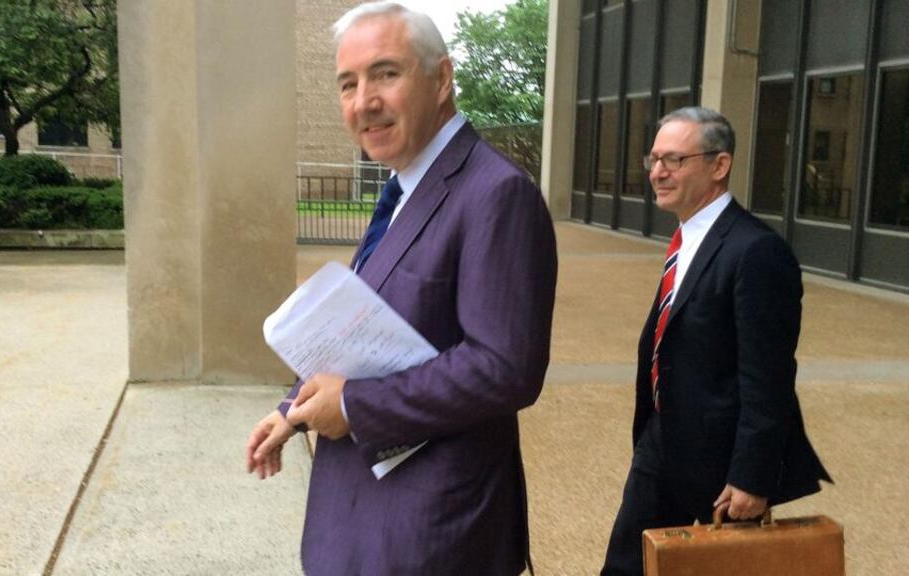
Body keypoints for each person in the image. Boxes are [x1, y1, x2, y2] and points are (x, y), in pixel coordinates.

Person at [245, 2, 558, 574]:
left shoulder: (496, 194)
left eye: (386, 73)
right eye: (348, 83)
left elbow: (505, 367)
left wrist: (355, 406)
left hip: (432, 530)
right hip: (371, 518)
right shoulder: (406, 185)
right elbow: (361, 325)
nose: (364, 101)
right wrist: (292, 410)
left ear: (442, 80)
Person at [600, 107, 832, 575]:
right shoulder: (688, 238)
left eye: (674, 160)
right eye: (654, 160)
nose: (658, 172)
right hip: (663, 438)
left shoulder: (757, 251)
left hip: (722, 462)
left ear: (719, 165)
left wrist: (752, 477)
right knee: (627, 564)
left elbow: (768, 378)